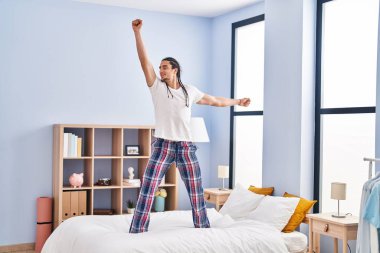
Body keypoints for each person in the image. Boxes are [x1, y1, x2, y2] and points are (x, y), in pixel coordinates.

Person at [129, 19, 251, 233]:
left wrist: (238, 101)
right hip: (162, 146)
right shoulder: (156, 87)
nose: (161, 70)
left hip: (185, 147)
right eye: (160, 68)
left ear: (174, 70)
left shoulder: (189, 91)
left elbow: (215, 101)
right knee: (147, 189)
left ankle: (203, 228)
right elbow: (144, 61)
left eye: (164, 67)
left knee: (196, 192)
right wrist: (137, 33)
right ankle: (137, 230)